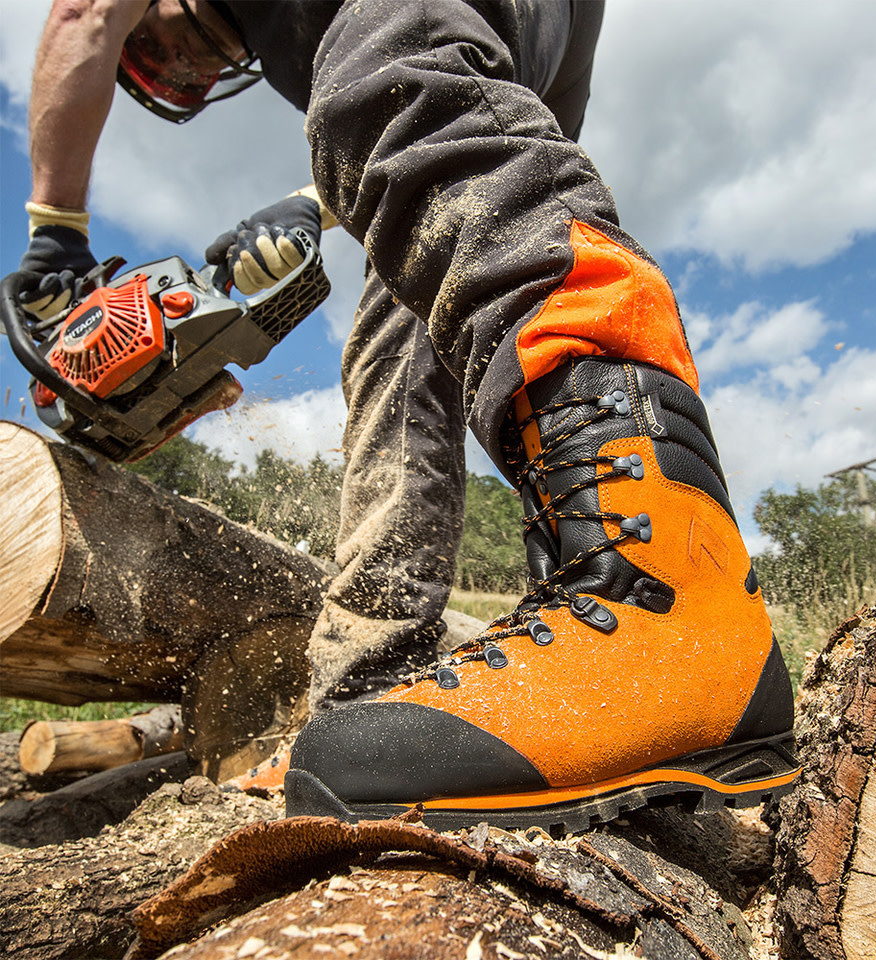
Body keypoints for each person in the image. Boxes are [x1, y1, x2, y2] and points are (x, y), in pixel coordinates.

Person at [20, 0, 800, 832]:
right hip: (531, 46)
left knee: (389, 78)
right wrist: (308, 201)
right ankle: (377, 689)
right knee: (417, 302)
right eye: (178, 76)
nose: (185, 69)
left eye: (161, 48)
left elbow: (82, 12)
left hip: (455, 37)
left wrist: (54, 237)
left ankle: (661, 594)